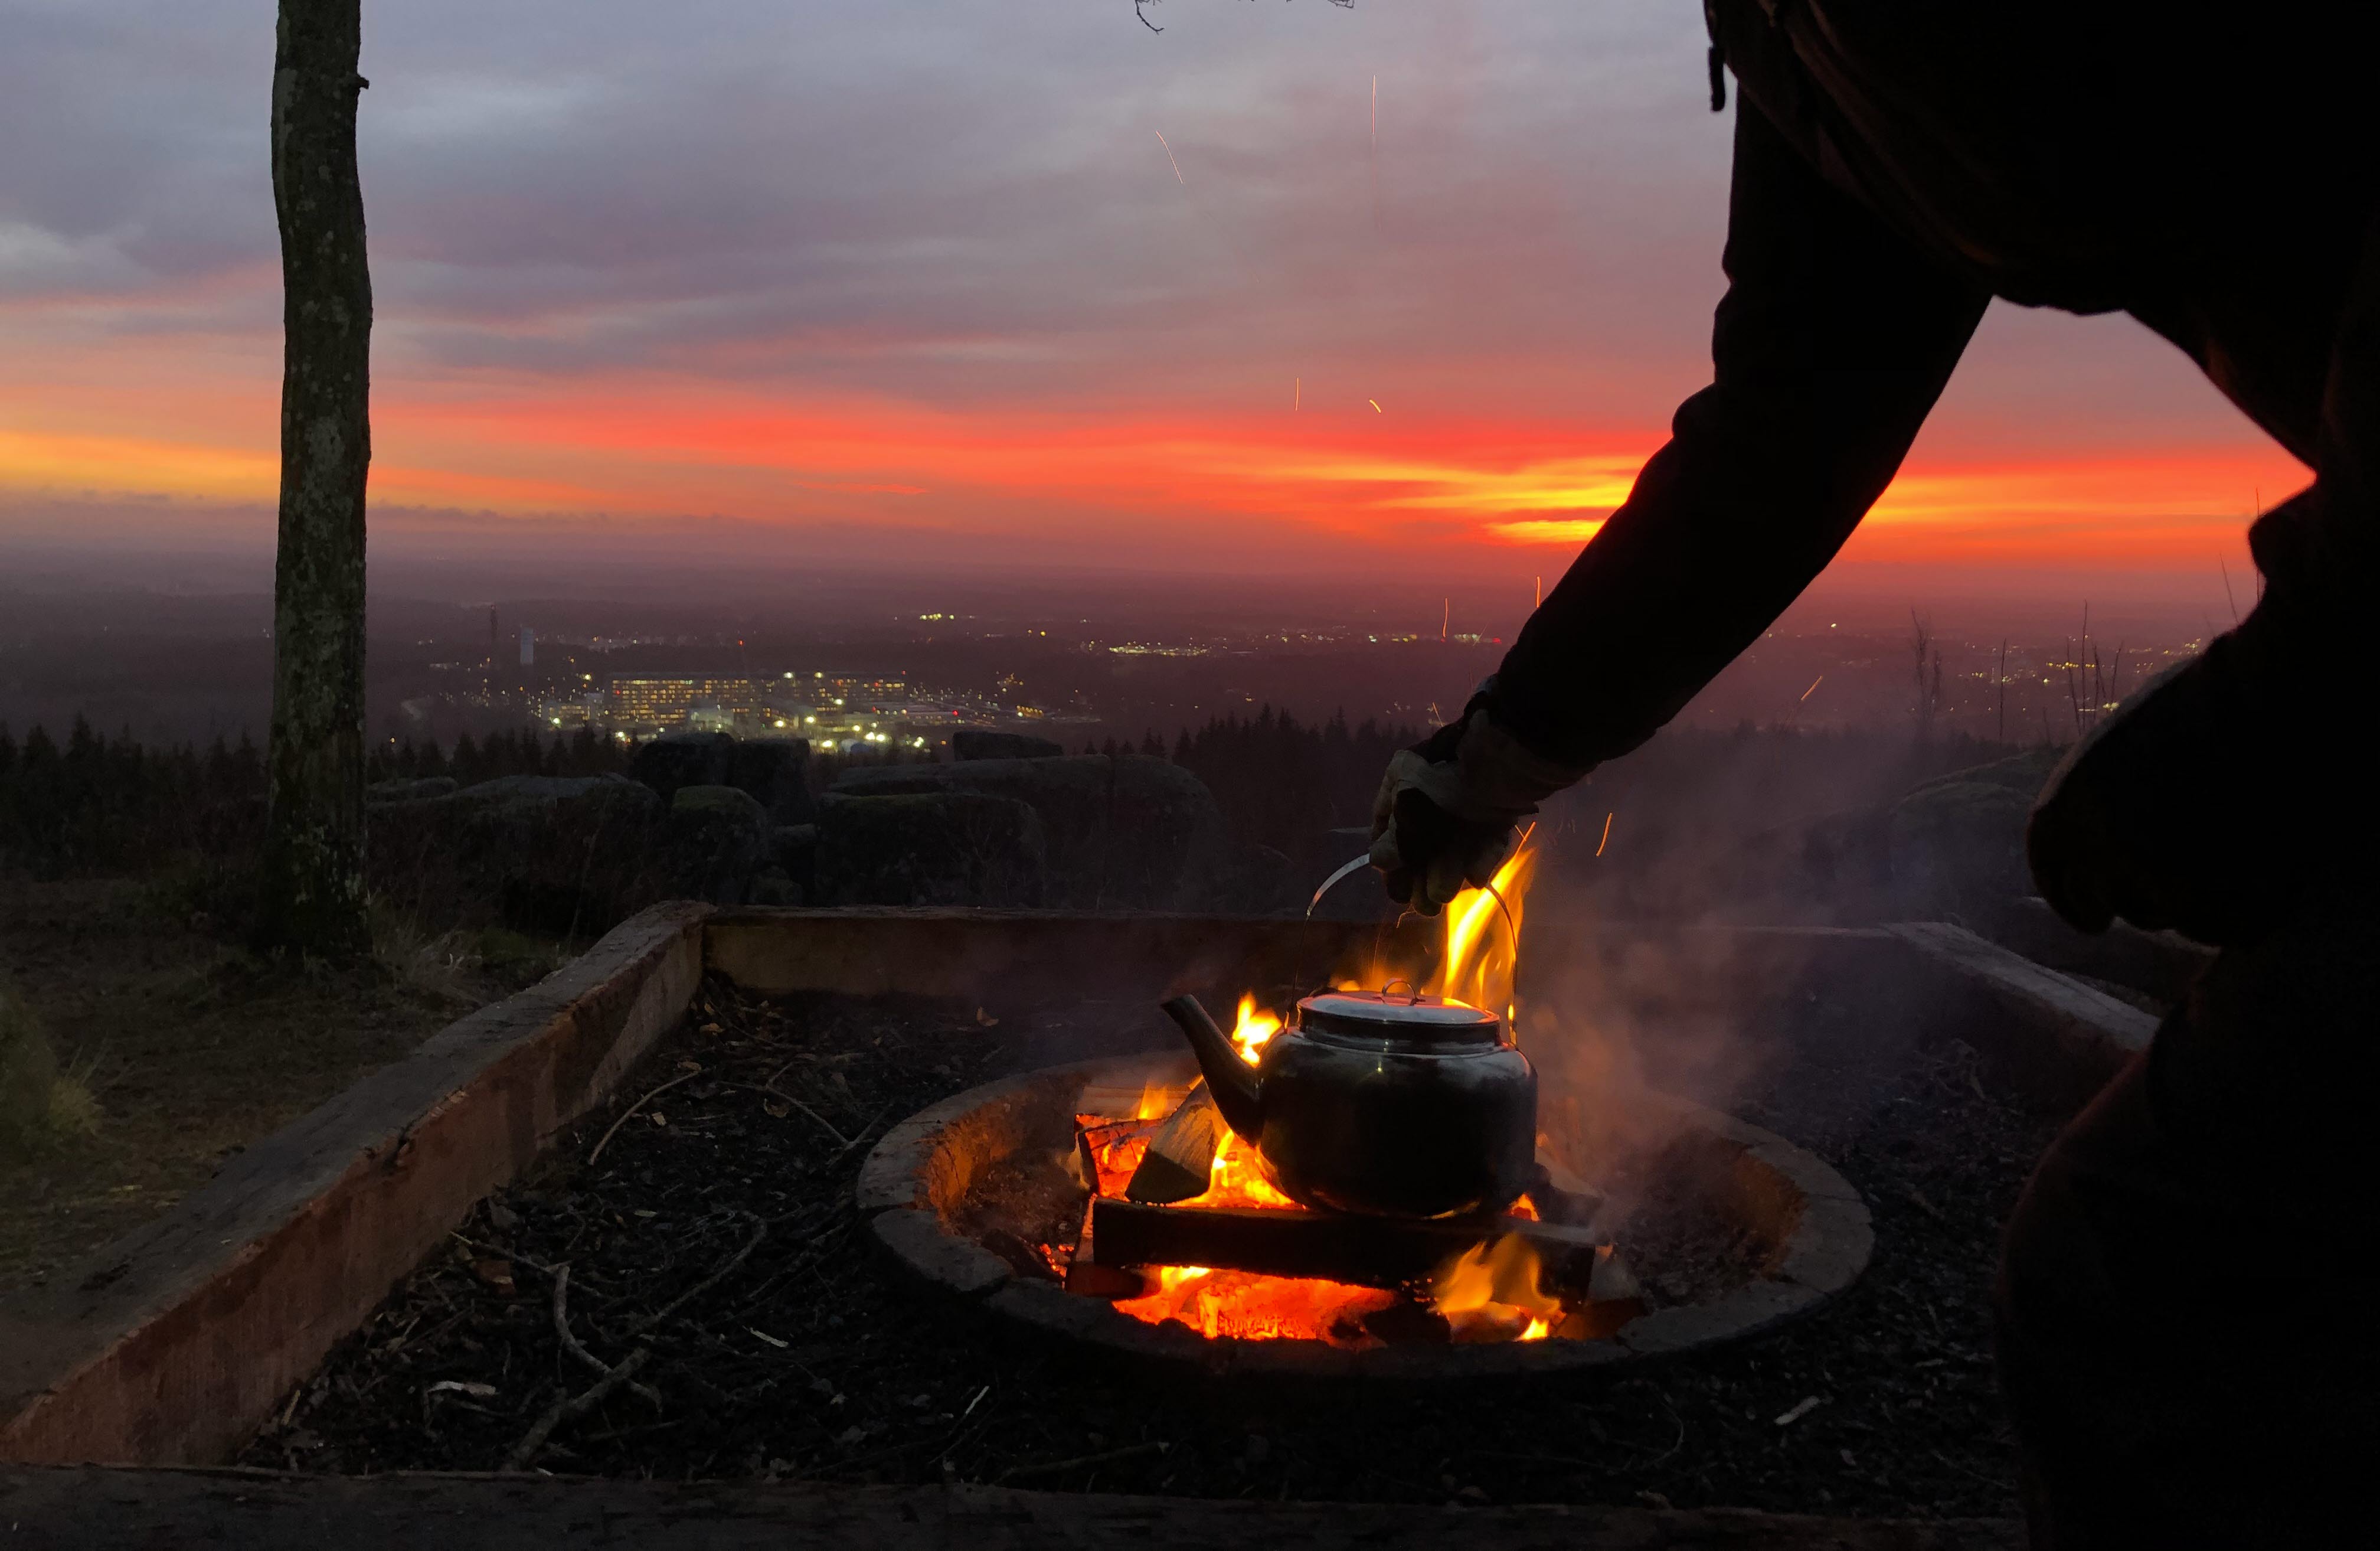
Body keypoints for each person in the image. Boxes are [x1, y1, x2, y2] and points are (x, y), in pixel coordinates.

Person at [1367, 5, 2379, 1545]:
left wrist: (2295, 685)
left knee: (2158, 1285)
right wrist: (1500, 755)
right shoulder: (1807, 38)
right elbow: (1793, 412)